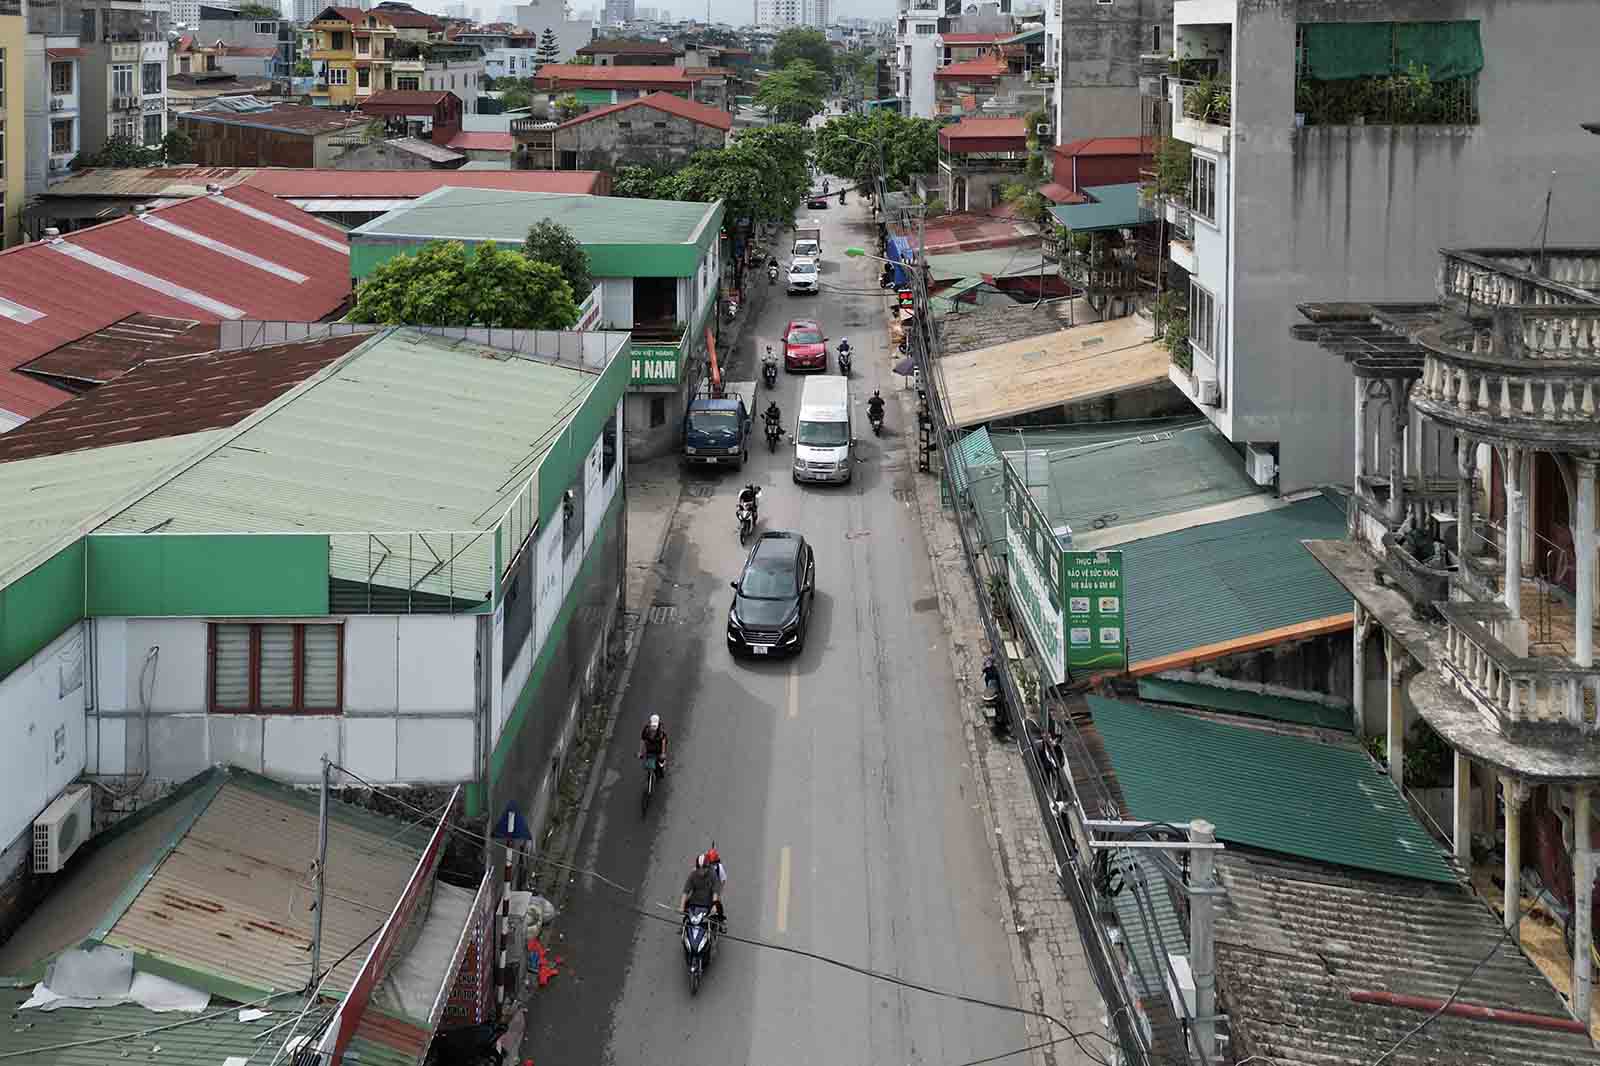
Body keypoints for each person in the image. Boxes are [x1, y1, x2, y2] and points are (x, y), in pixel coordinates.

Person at [680, 854, 720, 923]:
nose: (701, 870)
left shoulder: (713, 874)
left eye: (704, 868)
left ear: (708, 866)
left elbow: (715, 892)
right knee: (685, 919)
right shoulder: (693, 874)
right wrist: (681, 906)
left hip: (708, 904)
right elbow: (685, 891)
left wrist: (714, 906)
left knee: (715, 918)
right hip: (694, 903)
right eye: (699, 868)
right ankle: (683, 928)